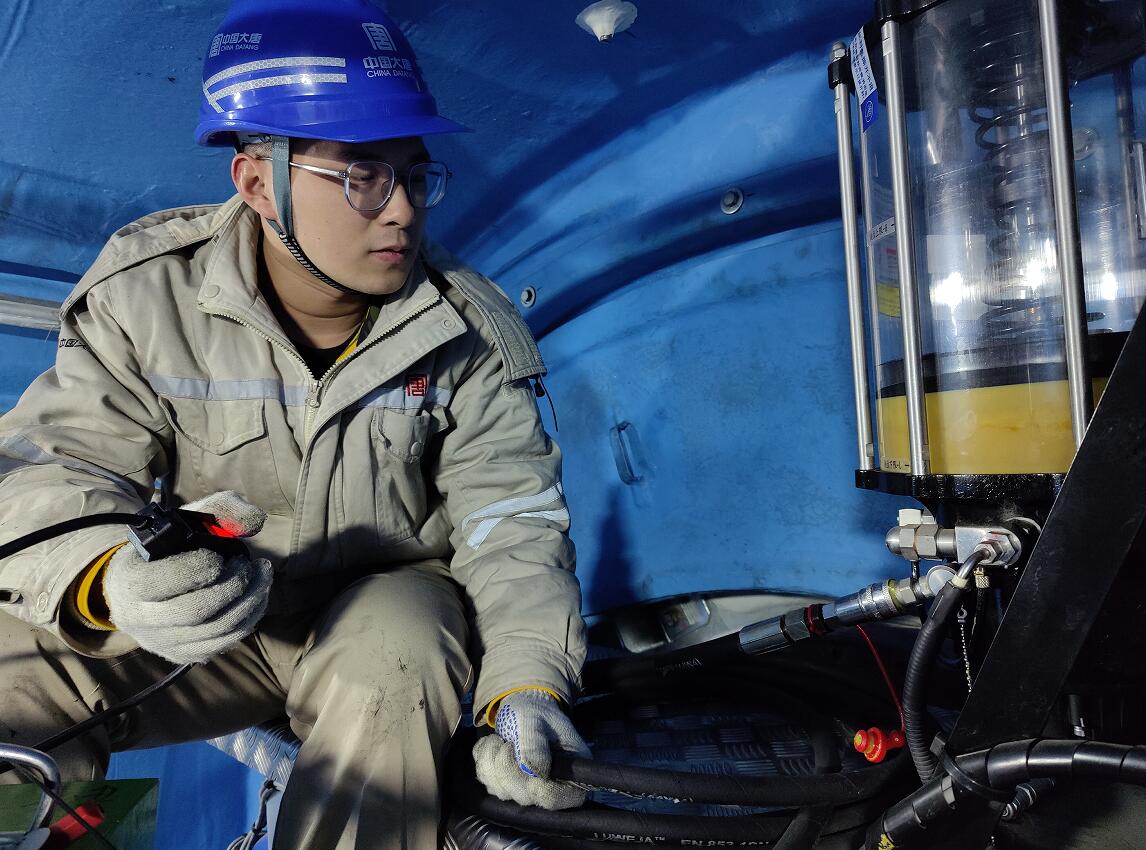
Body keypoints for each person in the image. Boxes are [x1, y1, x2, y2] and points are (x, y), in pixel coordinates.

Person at [0, 0, 590, 846]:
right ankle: (75, 837)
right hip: (216, 618)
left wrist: (526, 687)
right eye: (362, 175)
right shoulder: (147, 297)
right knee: (10, 672)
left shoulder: (467, 330)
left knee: (400, 638)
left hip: (379, 626)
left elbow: (512, 522)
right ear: (256, 184)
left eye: (415, 176)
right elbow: (55, 464)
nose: (402, 211)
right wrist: (107, 581)